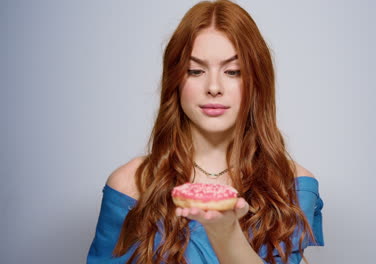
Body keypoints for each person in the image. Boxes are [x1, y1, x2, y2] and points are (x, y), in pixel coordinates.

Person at [86, 0, 324, 263]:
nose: (213, 86)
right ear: (175, 80)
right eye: (195, 71)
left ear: (257, 82)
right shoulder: (130, 185)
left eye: (233, 71)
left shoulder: (289, 185)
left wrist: (226, 234)